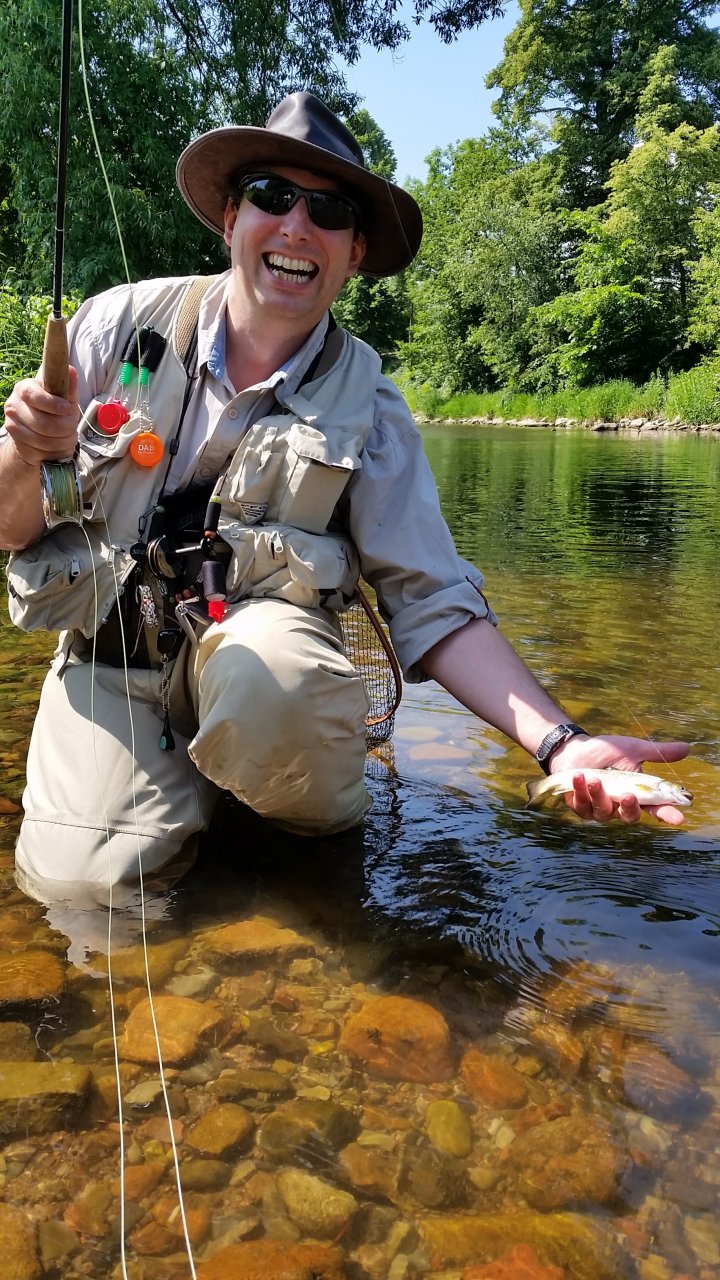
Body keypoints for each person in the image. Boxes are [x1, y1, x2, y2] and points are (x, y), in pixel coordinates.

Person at [0, 92, 689, 905]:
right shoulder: (114, 328)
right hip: (112, 666)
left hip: (262, 685)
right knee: (81, 894)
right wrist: (24, 451)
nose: (296, 225)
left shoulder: (374, 409)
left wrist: (560, 744)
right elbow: (11, 529)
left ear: (355, 253)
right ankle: (171, 791)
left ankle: (286, 826)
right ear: (230, 220)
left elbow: (432, 599)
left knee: (283, 720)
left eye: (327, 211)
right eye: (271, 195)